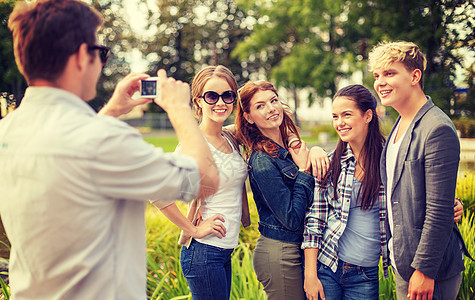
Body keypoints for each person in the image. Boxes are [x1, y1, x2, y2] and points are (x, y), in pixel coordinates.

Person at [0, 0, 219, 299]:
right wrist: (180, 110)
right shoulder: (103, 140)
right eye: (100, 53)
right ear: (81, 56)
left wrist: (112, 110)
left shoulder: (7, 132)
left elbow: (74, 152)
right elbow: (205, 178)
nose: (101, 63)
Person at [369, 41, 471, 300]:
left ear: (415, 76)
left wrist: (424, 270)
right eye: (377, 76)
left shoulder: (437, 128)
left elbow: (439, 209)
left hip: (429, 269)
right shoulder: (400, 124)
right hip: (404, 260)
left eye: (389, 73)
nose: (380, 82)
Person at [157, 65, 250, 300]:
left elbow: (269, 124)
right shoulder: (193, 145)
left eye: (227, 95)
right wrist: (194, 229)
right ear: (198, 101)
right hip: (204, 252)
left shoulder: (229, 136)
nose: (221, 102)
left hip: (223, 250)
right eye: (211, 96)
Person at [303, 85, 388, 300]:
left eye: (347, 115)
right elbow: (315, 219)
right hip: (327, 267)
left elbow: (414, 195)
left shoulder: (390, 160)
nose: (339, 123)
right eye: (335, 116)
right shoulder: (331, 162)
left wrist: (451, 204)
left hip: (365, 273)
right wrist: (310, 275)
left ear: (368, 115)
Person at [235, 80, 314, 300]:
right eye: (260, 106)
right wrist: (303, 171)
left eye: (273, 100)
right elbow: (291, 218)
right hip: (280, 254)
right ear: (249, 117)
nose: (271, 108)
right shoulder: (261, 162)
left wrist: (315, 151)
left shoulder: (288, 148)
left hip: (298, 248)